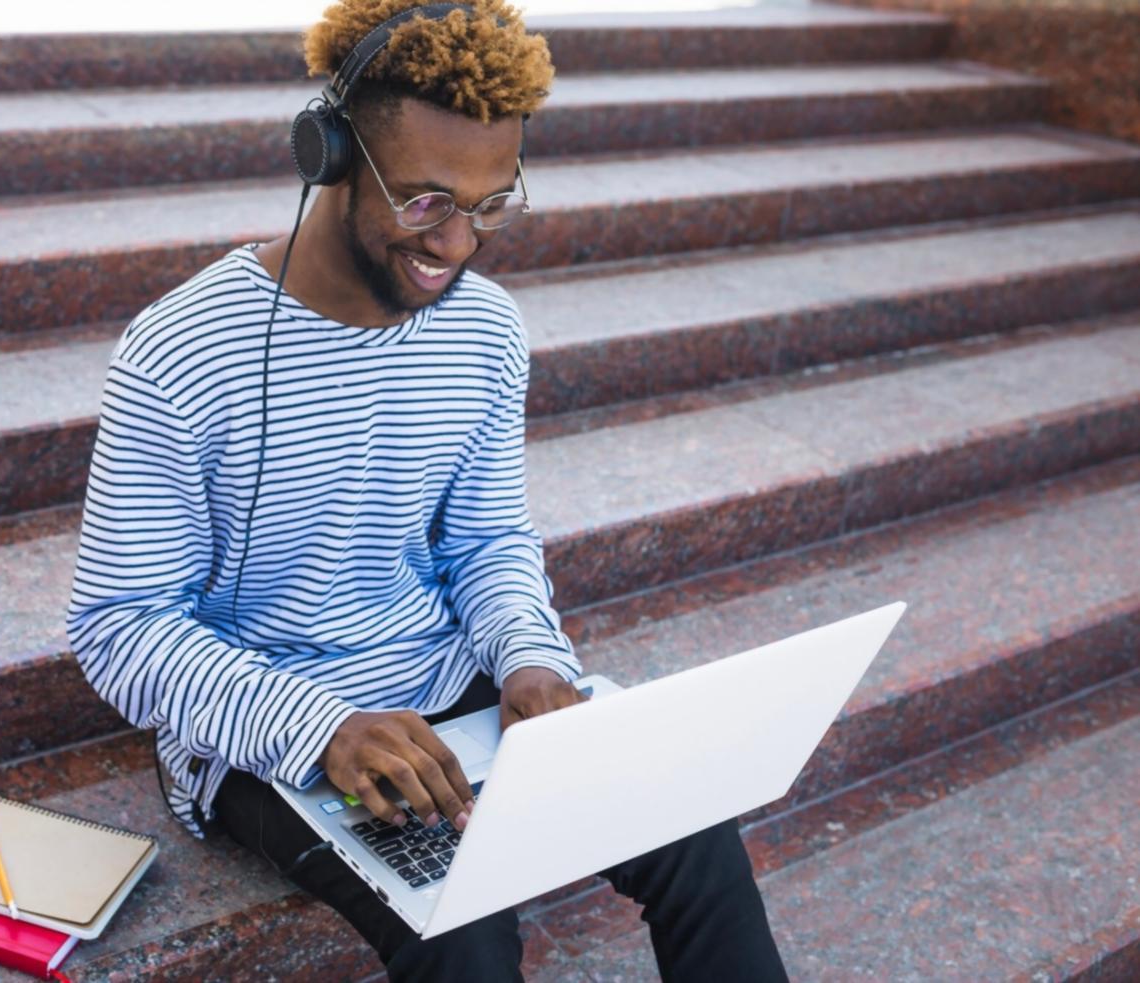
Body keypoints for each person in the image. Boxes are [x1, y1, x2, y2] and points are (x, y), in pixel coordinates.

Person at [66, 1, 788, 978]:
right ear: (328, 155)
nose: (455, 242)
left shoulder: (485, 330)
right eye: (423, 200)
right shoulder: (181, 352)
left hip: (451, 684)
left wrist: (532, 659)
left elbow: (486, 541)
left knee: (692, 827)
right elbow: (122, 624)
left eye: (490, 205)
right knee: (462, 924)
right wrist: (316, 725)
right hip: (266, 727)